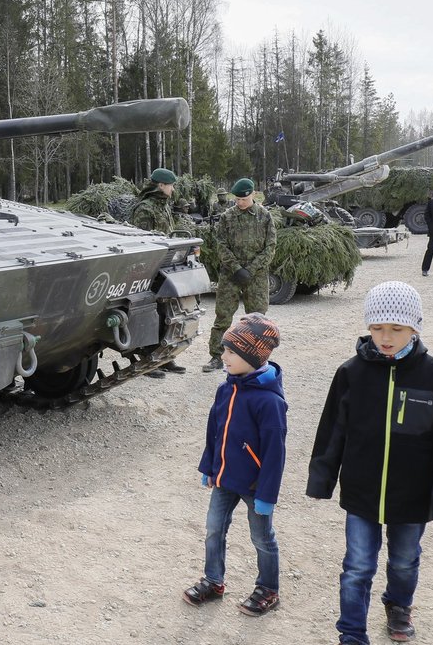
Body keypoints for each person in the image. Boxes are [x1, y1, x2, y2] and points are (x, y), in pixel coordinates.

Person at [307, 281, 433, 644]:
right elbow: (333, 428)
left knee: (404, 561)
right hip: (361, 492)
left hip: (412, 496)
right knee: (357, 567)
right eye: (377, 328)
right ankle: (351, 632)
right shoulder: (351, 373)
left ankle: (398, 605)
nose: (386, 337)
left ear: (415, 328)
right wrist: (322, 478)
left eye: (396, 328)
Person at [183, 313, 287, 617]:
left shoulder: (269, 402)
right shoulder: (226, 388)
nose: (223, 355)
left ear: (253, 356)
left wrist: (267, 495)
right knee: (214, 529)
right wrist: (209, 467)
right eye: (224, 349)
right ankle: (213, 581)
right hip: (225, 479)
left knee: (262, 537)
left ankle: (268, 589)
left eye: (231, 351)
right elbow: (215, 430)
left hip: (255, 487)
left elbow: (275, 453)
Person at [203, 178, 277, 372]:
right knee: (223, 317)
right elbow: (221, 245)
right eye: (236, 199)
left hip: (257, 275)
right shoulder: (227, 217)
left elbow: (270, 247)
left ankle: (256, 358)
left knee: (257, 319)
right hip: (230, 274)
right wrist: (236, 268)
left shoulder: (265, 216)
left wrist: (251, 270)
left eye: (243, 199)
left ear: (252, 194)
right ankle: (217, 357)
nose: (239, 203)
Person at [129, 167, 187, 377]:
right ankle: (146, 358)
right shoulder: (145, 208)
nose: (173, 189)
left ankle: (164, 358)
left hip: (165, 265)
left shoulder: (163, 207)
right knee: (150, 313)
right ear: (161, 186)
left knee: (166, 313)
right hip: (150, 268)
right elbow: (142, 242)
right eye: (170, 185)